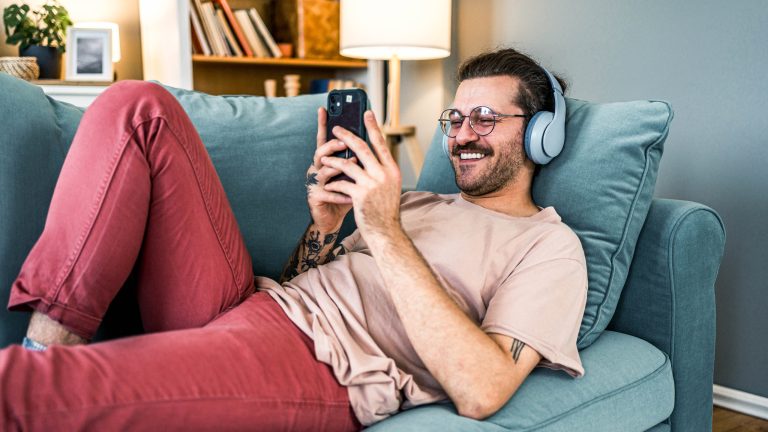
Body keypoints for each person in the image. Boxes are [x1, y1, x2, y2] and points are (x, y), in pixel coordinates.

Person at [0, 47, 587, 430]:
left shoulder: (548, 248)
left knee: (34, 391)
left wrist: (381, 227)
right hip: (256, 305)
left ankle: (36, 373)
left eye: (485, 119)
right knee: (138, 104)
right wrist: (327, 226)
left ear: (540, 136)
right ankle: (46, 340)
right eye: (454, 120)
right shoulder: (419, 201)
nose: (462, 136)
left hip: (320, 365)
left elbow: (483, 390)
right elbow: (302, 283)